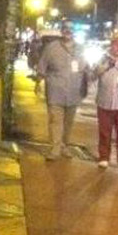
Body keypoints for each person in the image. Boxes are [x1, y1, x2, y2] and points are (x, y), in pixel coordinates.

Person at [37, 20, 87, 161]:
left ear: (73, 31)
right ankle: (55, 148)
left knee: (68, 123)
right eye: (65, 28)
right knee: (55, 121)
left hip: (74, 92)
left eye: (70, 28)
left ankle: (64, 146)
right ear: (61, 30)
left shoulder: (80, 49)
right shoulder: (51, 48)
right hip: (55, 91)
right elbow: (42, 66)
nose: (68, 31)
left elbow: (85, 69)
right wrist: (38, 82)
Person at [92, 31, 118, 170]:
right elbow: (93, 74)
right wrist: (107, 65)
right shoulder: (103, 58)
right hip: (104, 102)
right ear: (112, 44)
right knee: (104, 132)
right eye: (116, 43)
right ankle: (104, 157)